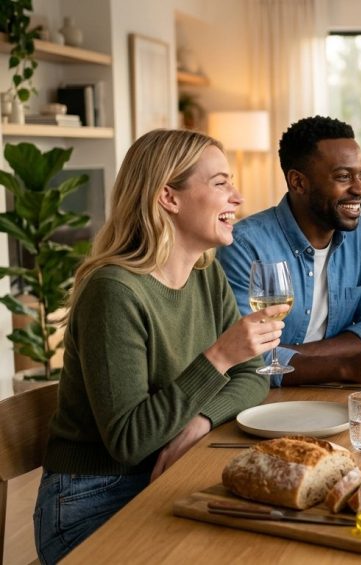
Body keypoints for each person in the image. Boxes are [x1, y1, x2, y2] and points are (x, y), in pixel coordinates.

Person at [33, 129, 278, 564]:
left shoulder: (206, 274)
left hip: (169, 473)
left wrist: (199, 421)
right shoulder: (114, 291)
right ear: (169, 197)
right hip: (94, 498)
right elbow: (129, 441)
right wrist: (219, 357)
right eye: (221, 183)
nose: (237, 197)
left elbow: (253, 378)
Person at [217, 116, 361, 386]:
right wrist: (344, 365)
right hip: (266, 401)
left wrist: (290, 356)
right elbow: (245, 357)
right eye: (343, 176)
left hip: (340, 392)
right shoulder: (244, 245)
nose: (360, 188)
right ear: (297, 182)